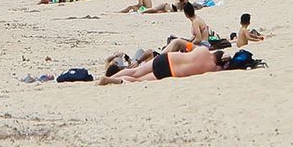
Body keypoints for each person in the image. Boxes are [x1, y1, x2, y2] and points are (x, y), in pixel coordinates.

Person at [97, 47, 232, 84]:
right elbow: (223, 67)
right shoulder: (213, 68)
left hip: (166, 58)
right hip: (170, 72)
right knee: (138, 80)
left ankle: (110, 76)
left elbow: (190, 47)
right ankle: (110, 80)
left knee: (135, 72)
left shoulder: (203, 51)